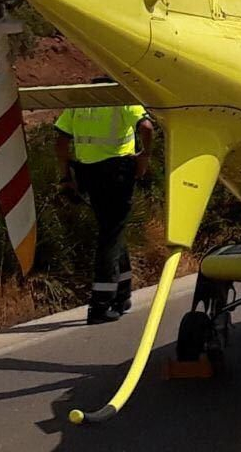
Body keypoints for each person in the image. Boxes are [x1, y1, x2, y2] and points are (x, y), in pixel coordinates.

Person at [55, 86, 155, 324]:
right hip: (117, 172)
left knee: (112, 228)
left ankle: (122, 292)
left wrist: (66, 176)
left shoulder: (81, 100)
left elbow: (60, 141)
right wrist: (145, 157)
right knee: (110, 234)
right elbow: (147, 127)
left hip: (89, 173)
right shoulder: (121, 96)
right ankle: (100, 303)